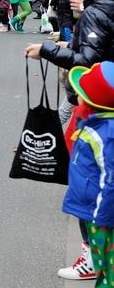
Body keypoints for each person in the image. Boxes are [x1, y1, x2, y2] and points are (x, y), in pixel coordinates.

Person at [25, 0, 114, 280]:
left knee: (87, 185)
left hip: (97, 105)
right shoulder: (100, 8)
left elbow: (88, 60)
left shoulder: (96, 10)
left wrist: (46, 50)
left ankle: (93, 259)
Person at [61, 61, 114, 285]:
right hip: (94, 209)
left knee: (107, 268)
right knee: (103, 261)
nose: (76, 96)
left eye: (80, 93)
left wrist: (101, 215)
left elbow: (111, 179)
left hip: (100, 214)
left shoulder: (105, 133)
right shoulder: (95, 124)